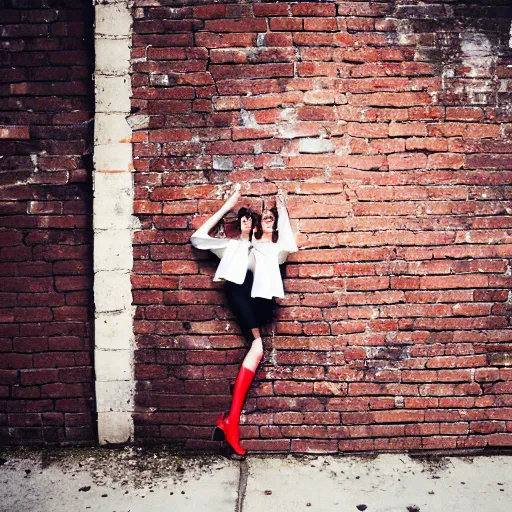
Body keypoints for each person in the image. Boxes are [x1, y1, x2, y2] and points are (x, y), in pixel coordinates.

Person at [190, 184, 298, 458]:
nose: (260, 222)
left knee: (257, 351)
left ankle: (228, 422)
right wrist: (228, 206)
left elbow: (289, 242)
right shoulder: (235, 247)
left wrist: (282, 207)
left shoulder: (274, 251)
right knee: (258, 349)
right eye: (257, 219)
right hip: (240, 297)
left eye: (264, 219)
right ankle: (230, 423)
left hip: (262, 308)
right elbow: (198, 238)